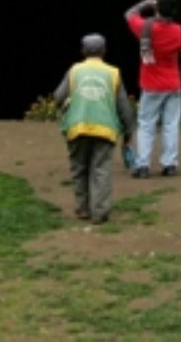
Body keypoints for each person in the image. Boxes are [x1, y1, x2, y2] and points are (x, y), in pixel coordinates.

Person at [51, 33, 136, 224]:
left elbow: (58, 96)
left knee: (79, 168)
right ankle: (100, 211)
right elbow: (124, 106)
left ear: (83, 51)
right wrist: (129, 132)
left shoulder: (74, 70)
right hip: (105, 128)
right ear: (104, 51)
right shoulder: (113, 73)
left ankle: (82, 208)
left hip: (77, 126)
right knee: (101, 169)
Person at [124, 0, 181, 177]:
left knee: (146, 125)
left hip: (151, 83)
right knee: (171, 124)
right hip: (173, 83)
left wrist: (146, 4)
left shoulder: (145, 28)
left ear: (157, 9)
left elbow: (128, 14)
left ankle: (142, 165)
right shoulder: (178, 31)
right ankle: (170, 164)